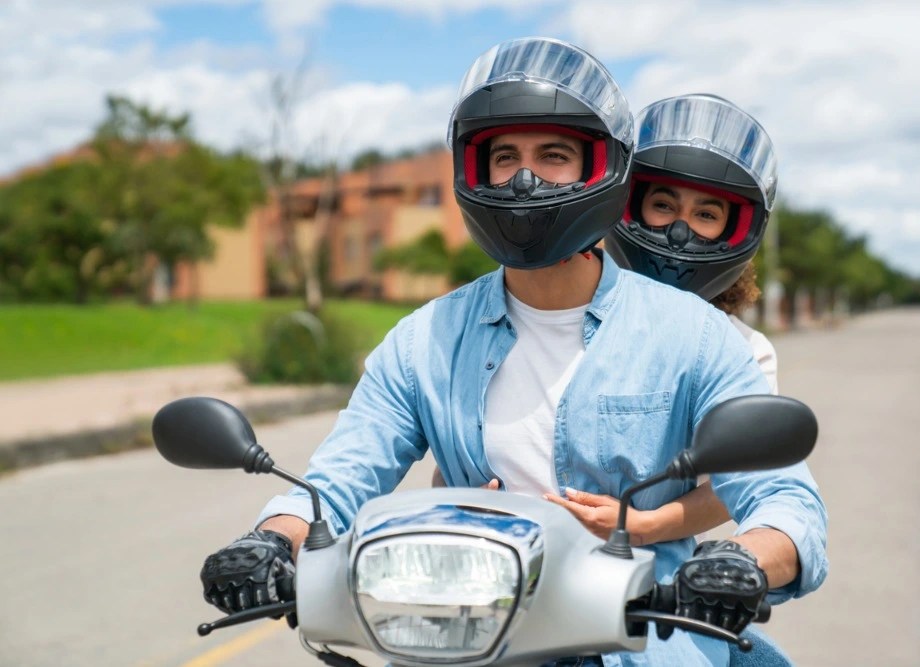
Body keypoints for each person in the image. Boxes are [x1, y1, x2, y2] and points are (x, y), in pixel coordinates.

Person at [199, 39, 827, 666]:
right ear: (476, 169)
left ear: (601, 167)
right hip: (463, 637)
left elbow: (784, 500)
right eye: (505, 156)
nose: (524, 179)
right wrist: (269, 542)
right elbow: (339, 478)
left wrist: (745, 561)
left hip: (642, 636)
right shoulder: (423, 339)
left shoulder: (695, 334)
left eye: (553, 155)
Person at [548, 94, 784, 547]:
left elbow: (733, 481)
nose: (680, 230)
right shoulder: (556, 308)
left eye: (706, 215)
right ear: (631, 204)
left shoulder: (741, 349)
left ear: (733, 229)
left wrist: (641, 526)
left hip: (648, 574)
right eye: (663, 205)